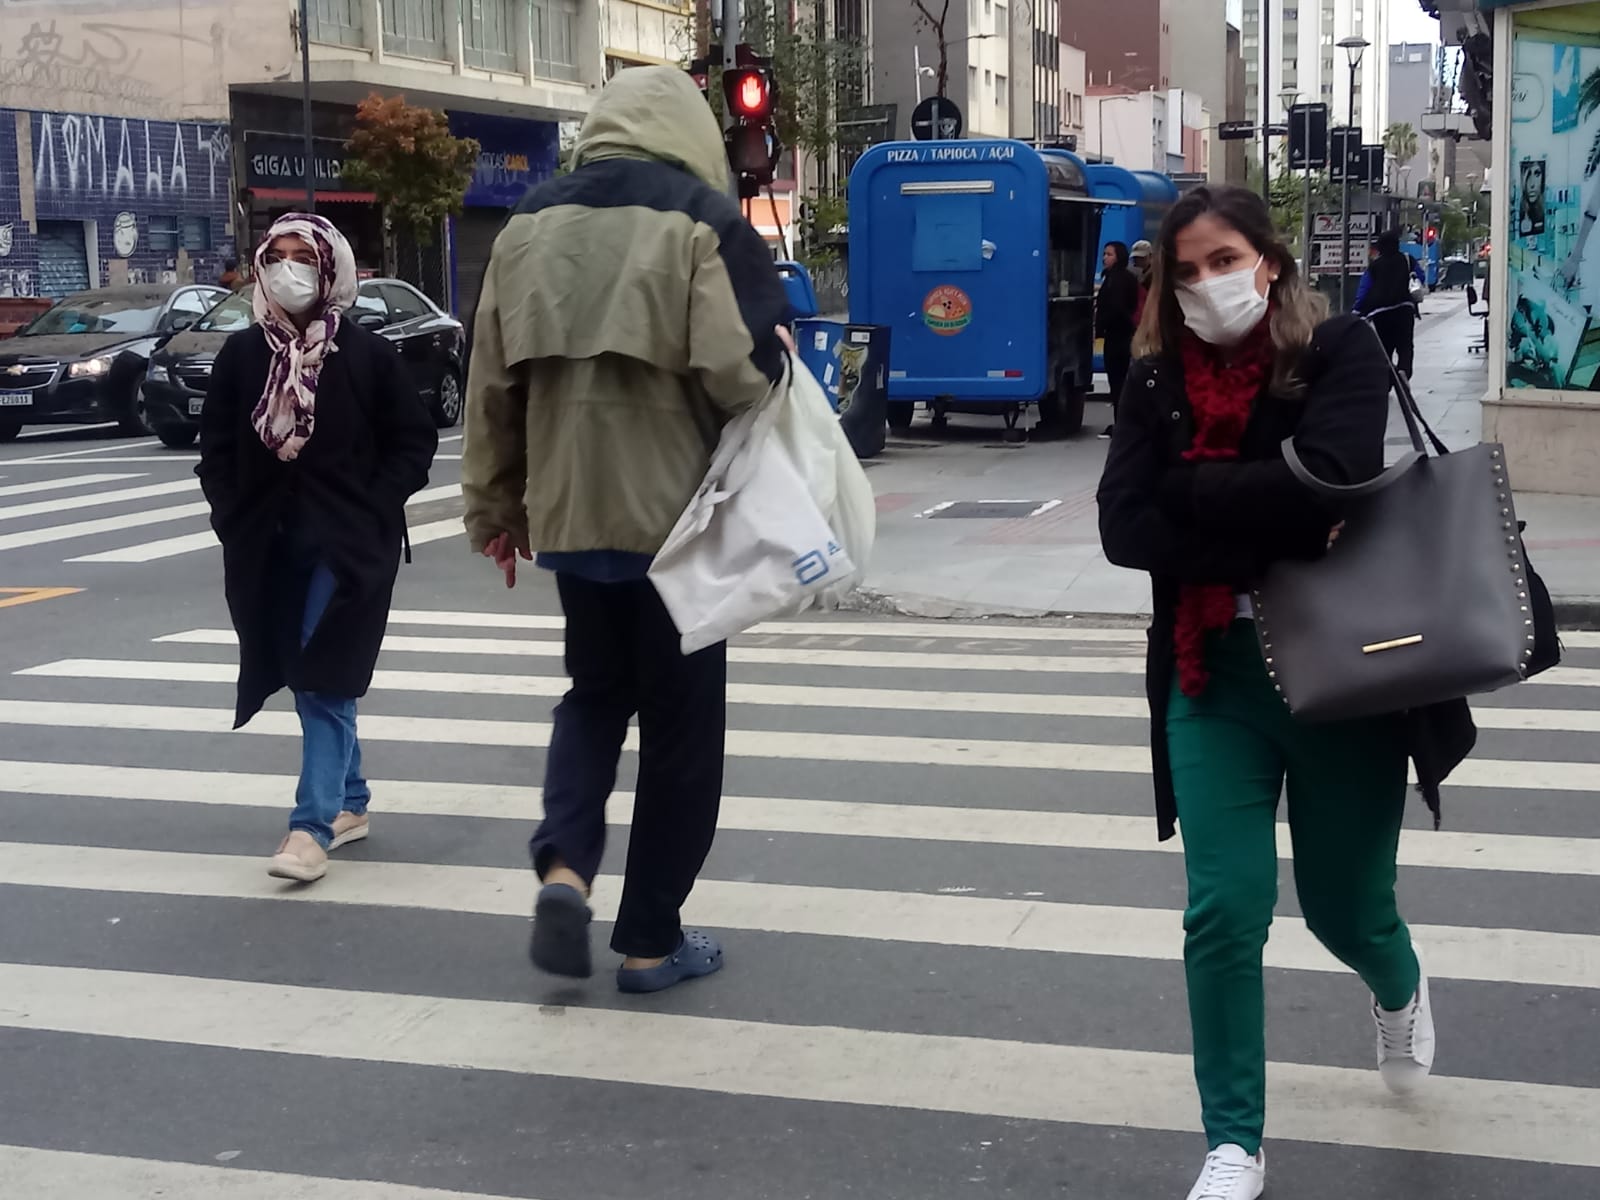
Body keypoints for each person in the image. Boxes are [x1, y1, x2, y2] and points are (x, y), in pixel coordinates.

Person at [1095, 185, 1475, 1200]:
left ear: (1268, 260)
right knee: (1225, 906)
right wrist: (1278, 507)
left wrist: (1196, 494)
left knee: (1347, 910)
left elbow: (1337, 475)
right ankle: (1232, 1139)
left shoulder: (1339, 349)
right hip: (1206, 671)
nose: (1203, 284)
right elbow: (1121, 529)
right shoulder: (1151, 381)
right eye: (1182, 271)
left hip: (1345, 673)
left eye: (1222, 260)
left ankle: (1396, 986)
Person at [461, 66, 790, 995]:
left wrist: (495, 510)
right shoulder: (699, 220)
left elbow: (489, 387)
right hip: (680, 522)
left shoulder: (526, 226)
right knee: (683, 731)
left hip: (571, 515)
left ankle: (565, 866)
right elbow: (742, 373)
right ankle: (649, 938)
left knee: (594, 694)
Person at [196, 213, 439, 883]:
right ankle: (350, 801)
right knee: (312, 669)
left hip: (348, 546)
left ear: (331, 268)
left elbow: (413, 444)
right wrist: (230, 515)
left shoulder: (366, 356)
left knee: (321, 676)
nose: (288, 268)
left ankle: (310, 829)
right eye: (275, 256)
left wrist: (373, 505)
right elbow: (215, 450)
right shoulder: (243, 356)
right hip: (270, 546)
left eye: (303, 255)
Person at [1354, 230, 1419, 378]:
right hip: (1405, 309)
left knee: (1385, 347)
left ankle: (1388, 378)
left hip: (1381, 313)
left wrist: (1357, 310)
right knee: (1406, 345)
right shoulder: (1408, 260)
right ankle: (1404, 371)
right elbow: (1419, 277)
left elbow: (1364, 289)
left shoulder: (1375, 266)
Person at [1096, 240, 1140, 438]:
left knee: (1118, 382)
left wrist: (1105, 324)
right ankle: (1120, 422)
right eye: (1104, 254)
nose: (1105, 258)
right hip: (1119, 335)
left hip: (1118, 337)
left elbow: (1118, 308)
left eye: (1110, 254)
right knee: (1118, 382)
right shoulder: (1117, 277)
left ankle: (1121, 424)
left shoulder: (1119, 279)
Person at [1131, 238, 1154, 324]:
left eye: (1142, 258)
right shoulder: (1139, 273)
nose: (1138, 260)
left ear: (1150, 256)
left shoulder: (1155, 274)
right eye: (1136, 258)